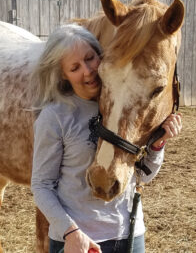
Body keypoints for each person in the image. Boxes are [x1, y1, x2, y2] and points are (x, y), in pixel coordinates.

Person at [31, 24, 182, 253]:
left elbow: (142, 176)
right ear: (64, 74)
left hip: (129, 234)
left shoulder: (121, 105)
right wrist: (70, 233)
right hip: (77, 240)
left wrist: (158, 145)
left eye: (90, 58)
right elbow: (41, 186)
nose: (88, 70)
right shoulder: (55, 117)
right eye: (75, 67)